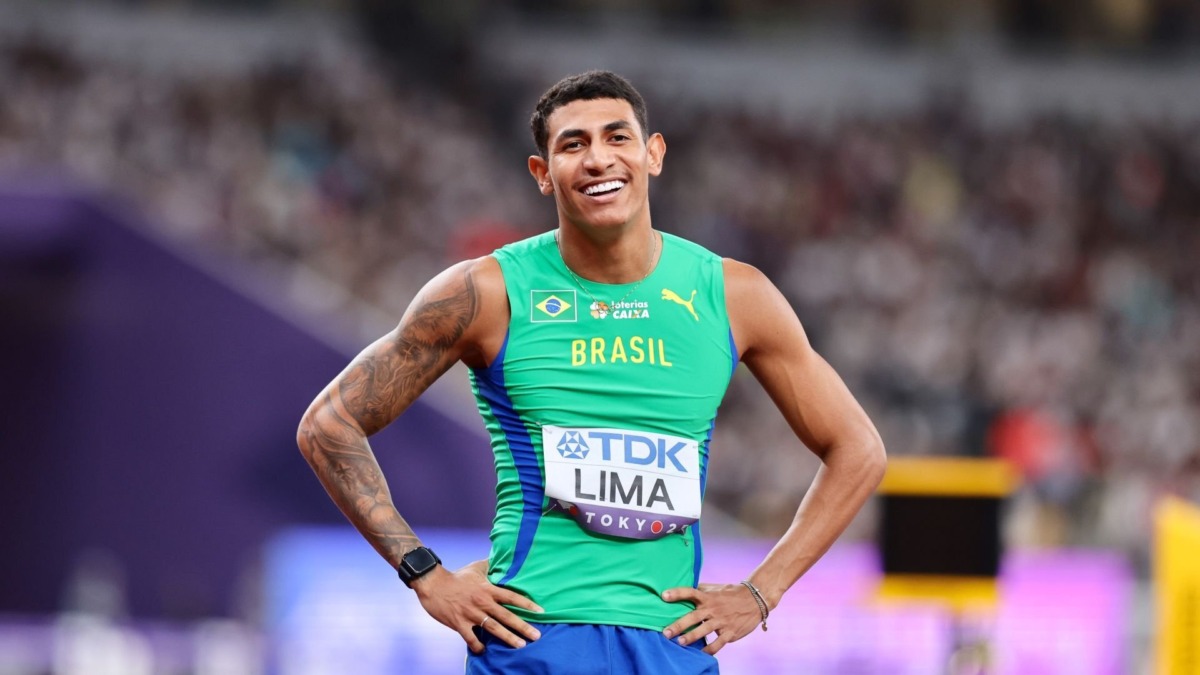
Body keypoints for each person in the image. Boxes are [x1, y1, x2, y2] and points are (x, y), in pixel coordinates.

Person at [296, 70, 886, 674]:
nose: (599, 159)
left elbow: (858, 449)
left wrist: (763, 591)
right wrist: (424, 573)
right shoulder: (487, 293)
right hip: (532, 641)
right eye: (573, 145)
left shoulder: (733, 294)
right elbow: (329, 424)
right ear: (542, 173)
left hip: (671, 646)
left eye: (617, 138)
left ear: (652, 154)